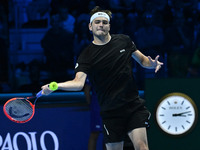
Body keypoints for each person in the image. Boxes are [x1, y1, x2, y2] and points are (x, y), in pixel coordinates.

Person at [40, 6, 163, 150]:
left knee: (142, 146)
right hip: (110, 111)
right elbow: (78, 83)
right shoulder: (86, 55)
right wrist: (55, 86)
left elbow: (143, 61)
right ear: (90, 27)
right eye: (97, 22)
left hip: (133, 106)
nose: (101, 25)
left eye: (104, 22)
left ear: (109, 26)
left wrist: (152, 63)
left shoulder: (124, 41)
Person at [84, 78, 106, 150]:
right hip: (97, 107)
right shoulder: (92, 68)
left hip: (110, 106)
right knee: (94, 133)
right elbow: (87, 90)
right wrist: (92, 105)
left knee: (109, 134)